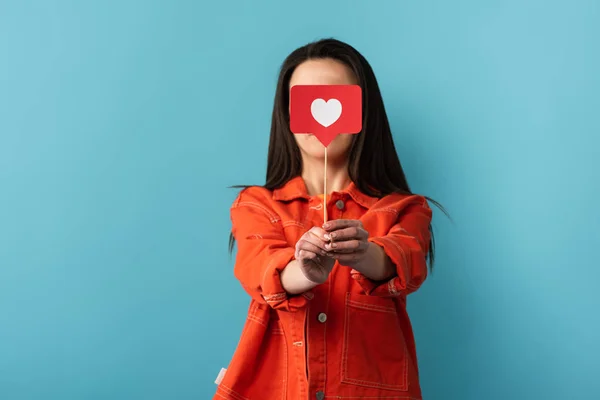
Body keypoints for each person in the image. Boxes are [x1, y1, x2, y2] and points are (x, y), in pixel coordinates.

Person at [215, 38, 441, 400]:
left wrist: (364, 254)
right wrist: (304, 270)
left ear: (364, 114)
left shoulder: (406, 209)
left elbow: (406, 260)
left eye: (340, 98)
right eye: (304, 100)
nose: (325, 110)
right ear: (287, 115)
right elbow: (258, 269)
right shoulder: (256, 205)